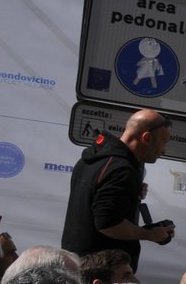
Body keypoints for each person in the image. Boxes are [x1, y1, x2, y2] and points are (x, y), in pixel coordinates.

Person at [61, 109, 176, 270]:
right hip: (101, 271)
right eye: (163, 142)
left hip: (79, 262)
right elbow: (107, 223)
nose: (164, 151)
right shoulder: (121, 169)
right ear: (147, 138)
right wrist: (150, 235)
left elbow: (95, 198)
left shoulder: (96, 159)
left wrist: (130, 192)